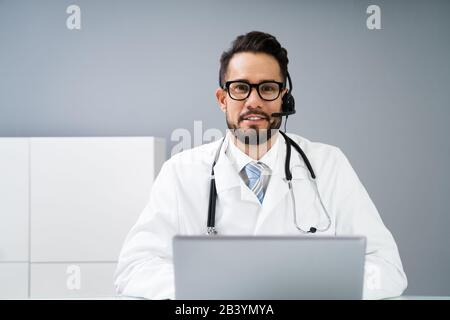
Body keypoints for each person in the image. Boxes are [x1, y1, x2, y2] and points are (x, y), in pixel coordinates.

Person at [114, 31, 407, 300]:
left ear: (284, 98)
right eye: (240, 88)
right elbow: (136, 267)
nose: (253, 101)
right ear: (222, 99)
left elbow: (386, 267)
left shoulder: (329, 165)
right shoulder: (180, 171)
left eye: (267, 88)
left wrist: (305, 291)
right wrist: (220, 292)